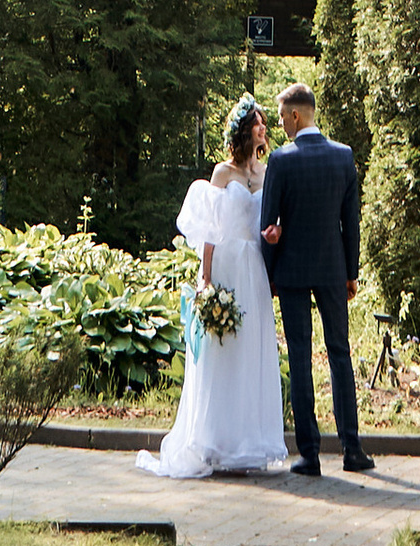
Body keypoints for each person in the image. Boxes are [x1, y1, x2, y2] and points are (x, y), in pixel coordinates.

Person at [138, 94, 289, 479]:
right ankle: (214, 442)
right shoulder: (223, 173)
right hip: (225, 264)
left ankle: (249, 443)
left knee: (252, 350)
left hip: (254, 267)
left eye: (264, 123)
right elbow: (209, 229)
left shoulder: (267, 172)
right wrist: (205, 277)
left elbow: (273, 220)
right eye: (257, 123)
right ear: (243, 131)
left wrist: (276, 235)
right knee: (223, 350)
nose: (263, 129)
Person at [259, 80, 373, 475]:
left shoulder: (281, 160)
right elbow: (351, 222)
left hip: (291, 272)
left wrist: (270, 274)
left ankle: (309, 454)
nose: (280, 124)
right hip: (332, 269)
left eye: (281, 117)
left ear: (295, 115)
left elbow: (267, 224)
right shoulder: (343, 157)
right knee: (340, 354)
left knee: (301, 356)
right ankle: (352, 449)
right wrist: (351, 273)